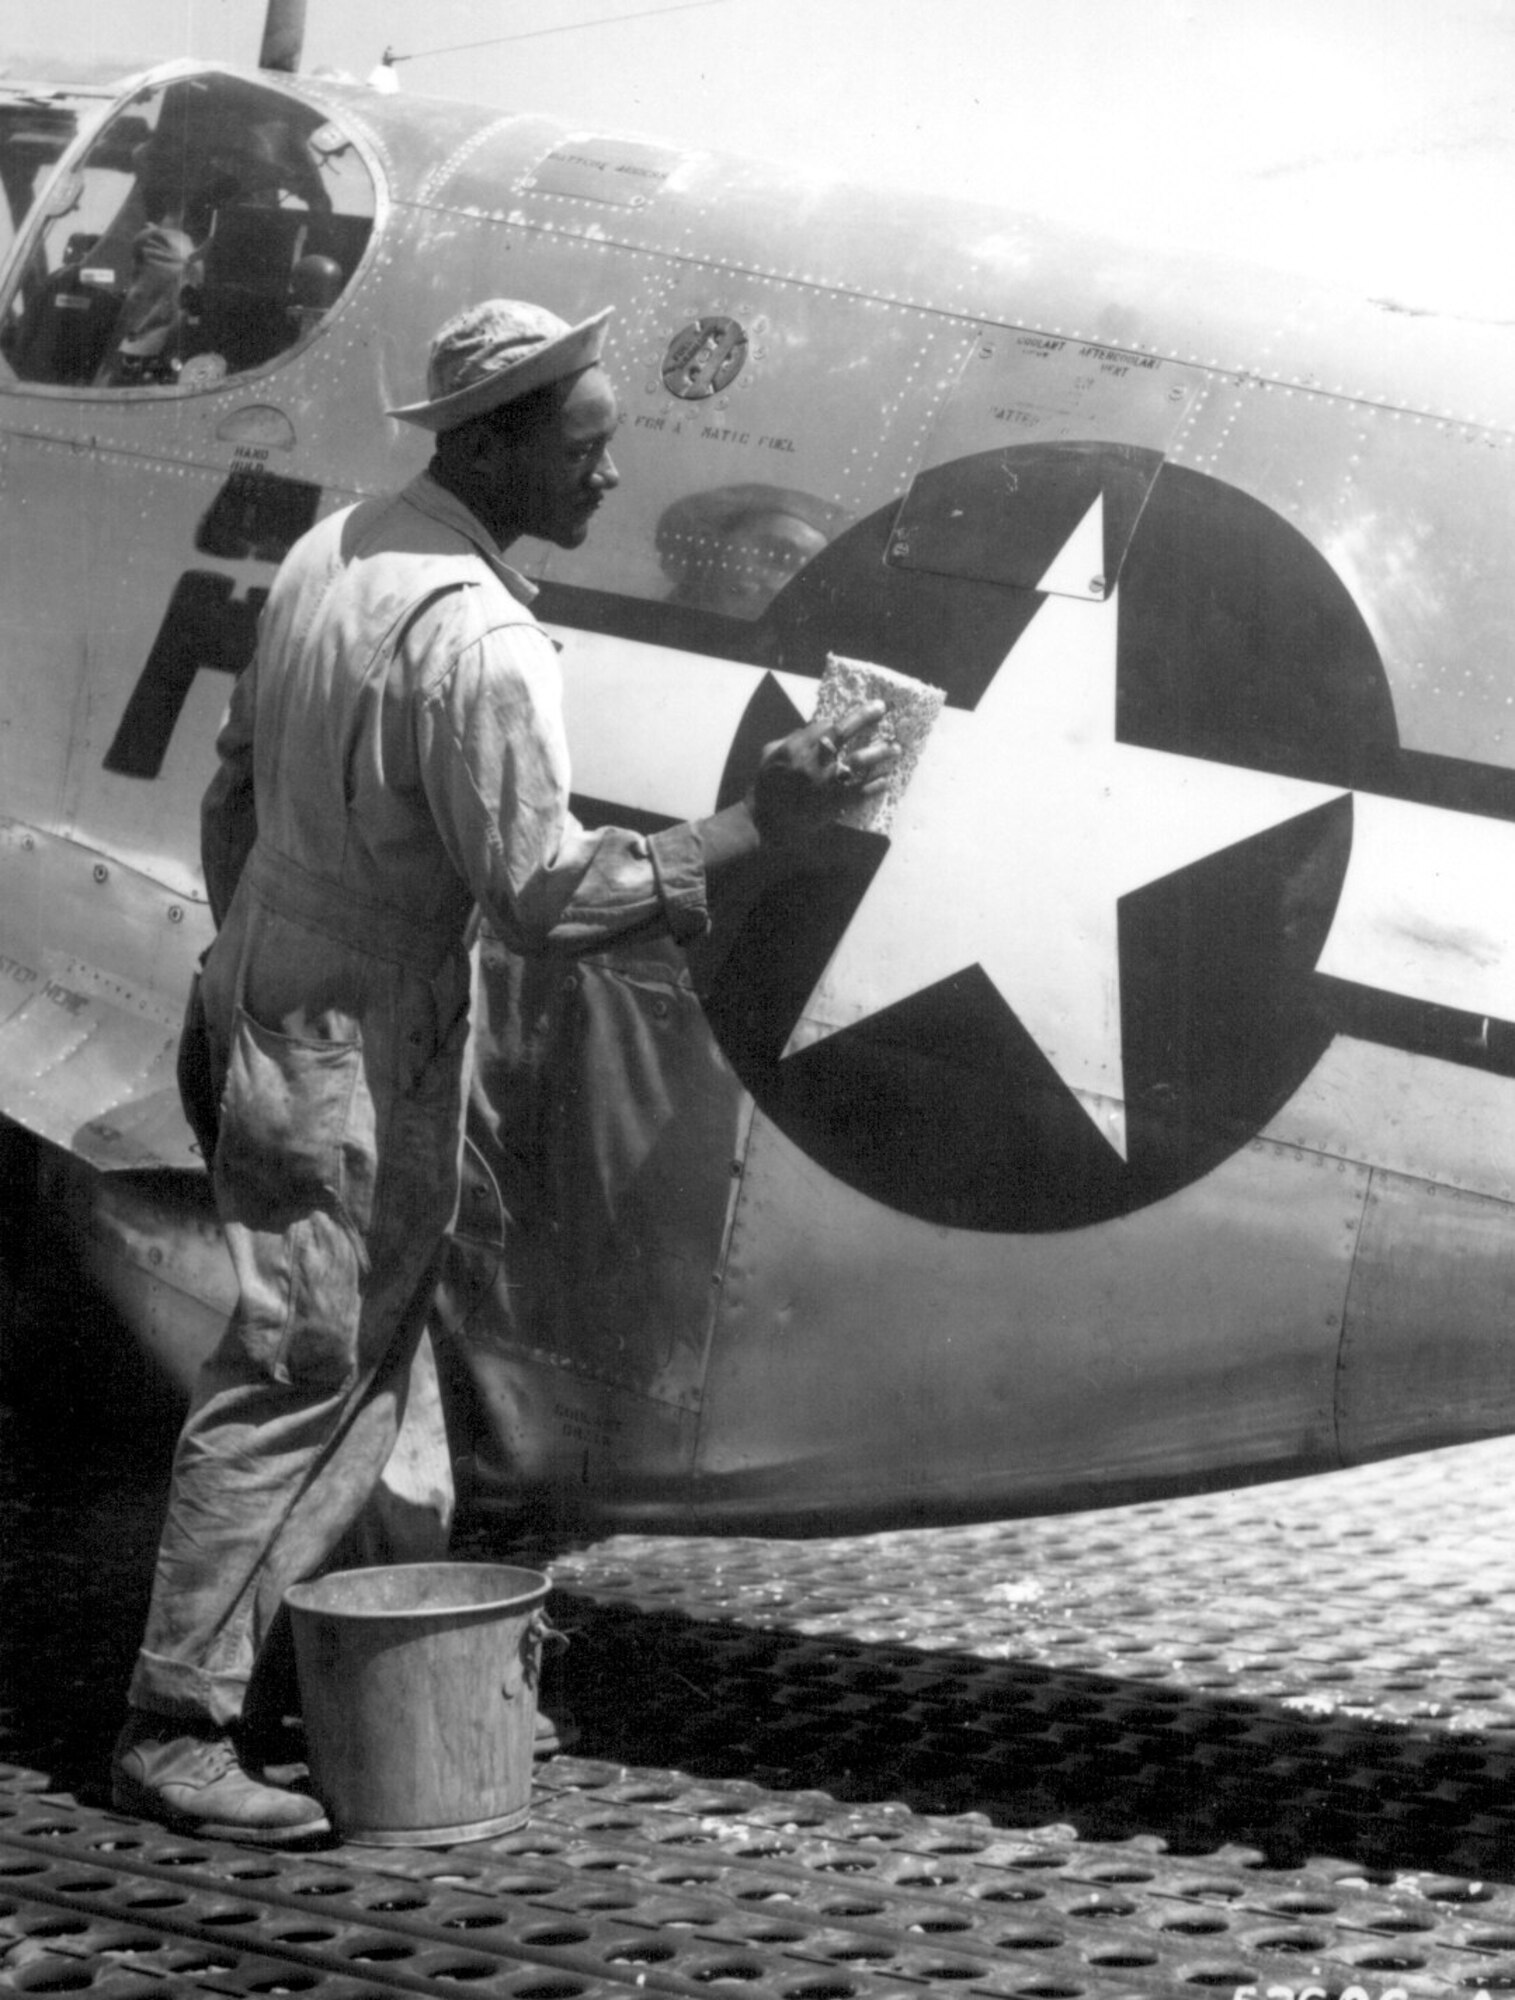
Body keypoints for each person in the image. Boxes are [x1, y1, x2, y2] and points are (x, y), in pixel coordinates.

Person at [111, 297, 891, 1844]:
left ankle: (398, 1656)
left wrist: (252, 974)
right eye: (588, 449)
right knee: (298, 1373)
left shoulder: (337, 550)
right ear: (498, 443)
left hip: (265, 982)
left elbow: (235, 792)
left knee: (383, 1351)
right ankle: (172, 1723)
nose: (611, 479)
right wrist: (760, 825)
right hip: (358, 1039)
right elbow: (548, 899)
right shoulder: (484, 642)